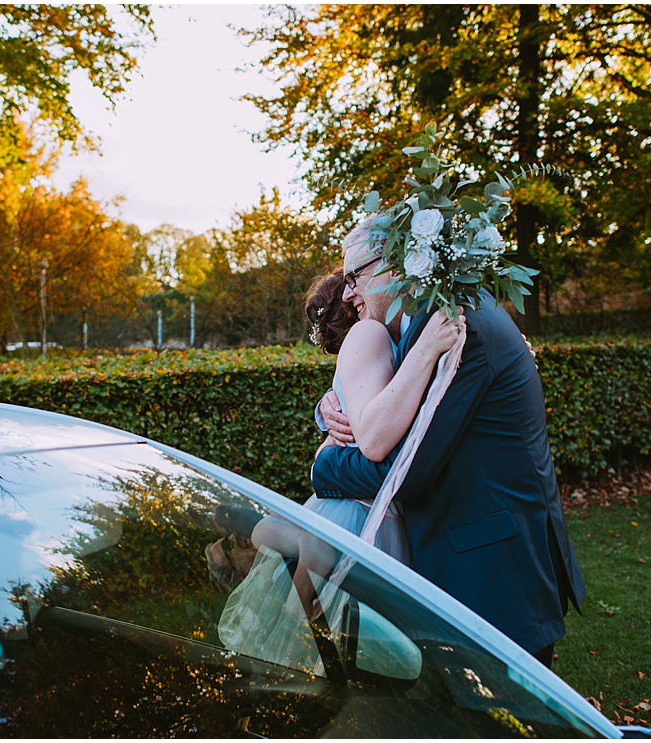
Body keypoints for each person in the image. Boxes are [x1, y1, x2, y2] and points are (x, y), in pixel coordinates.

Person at [311, 217, 586, 668]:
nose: (346, 292)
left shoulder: (458, 331)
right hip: (476, 570)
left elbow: (408, 471)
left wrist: (324, 466)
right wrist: (333, 405)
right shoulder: (431, 324)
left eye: (354, 277)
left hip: (494, 582)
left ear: (394, 265)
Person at [218, 267, 464, 670]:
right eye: (349, 287)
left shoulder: (379, 337)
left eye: (357, 284)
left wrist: (328, 411)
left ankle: (299, 627)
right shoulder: (372, 335)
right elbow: (372, 412)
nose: (355, 294)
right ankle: (304, 629)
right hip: (361, 506)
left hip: (355, 502)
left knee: (306, 564)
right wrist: (327, 410)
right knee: (321, 590)